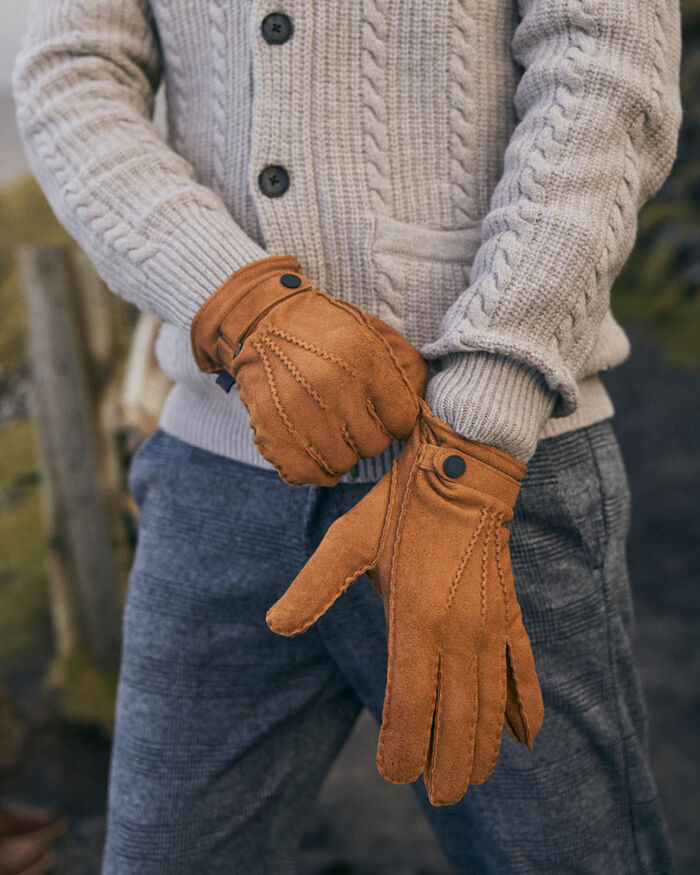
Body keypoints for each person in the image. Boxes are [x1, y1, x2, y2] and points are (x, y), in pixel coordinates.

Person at [13, 1, 682, 871]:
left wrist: (473, 438)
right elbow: (70, 70)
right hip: (214, 474)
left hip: (506, 479)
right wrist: (239, 301)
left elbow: (605, 62)